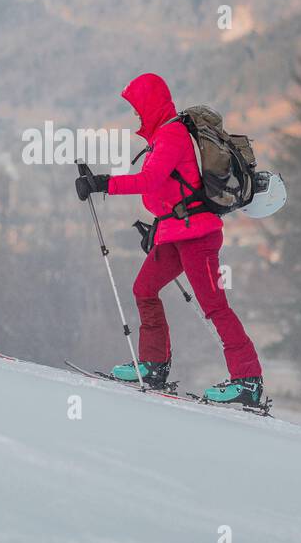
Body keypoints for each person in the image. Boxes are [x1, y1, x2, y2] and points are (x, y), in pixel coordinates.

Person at [74, 72, 264, 406]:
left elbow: (150, 180)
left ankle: (248, 380)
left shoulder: (172, 135)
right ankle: (153, 366)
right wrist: (160, 229)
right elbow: (170, 192)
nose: (136, 115)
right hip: (176, 233)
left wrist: (103, 183)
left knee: (214, 306)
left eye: (138, 107)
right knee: (144, 289)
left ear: (151, 104)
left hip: (198, 237)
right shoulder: (164, 135)